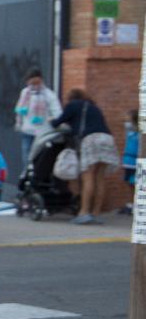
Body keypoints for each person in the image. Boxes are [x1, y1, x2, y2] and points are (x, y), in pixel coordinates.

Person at [52, 89, 119, 225]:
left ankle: (84, 212)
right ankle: (96, 213)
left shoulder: (73, 105)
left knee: (88, 177)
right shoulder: (93, 107)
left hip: (91, 140)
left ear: (71, 98)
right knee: (99, 178)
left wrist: (50, 121)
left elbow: (57, 122)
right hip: (107, 139)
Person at [14, 68, 63, 175]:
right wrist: (19, 123)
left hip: (42, 133)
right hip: (27, 131)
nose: (34, 85)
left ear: (41, 80)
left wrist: (55, 120)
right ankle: (27, 178)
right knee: (26, 156)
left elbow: (57, 111)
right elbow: (19, 111)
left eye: (37, 83)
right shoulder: (25, 93)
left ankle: (37, 178)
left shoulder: (48, 95)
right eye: (32, 83)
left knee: (40, 157)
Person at [121, 111, 139, 215]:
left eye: (128, 118)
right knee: (129, 183)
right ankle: (130, 204)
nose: (126, 120)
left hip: (135, 162)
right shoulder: (129, 131)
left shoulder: (140, 133)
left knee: (136, 183)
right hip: (127, 161)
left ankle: (136, 204)